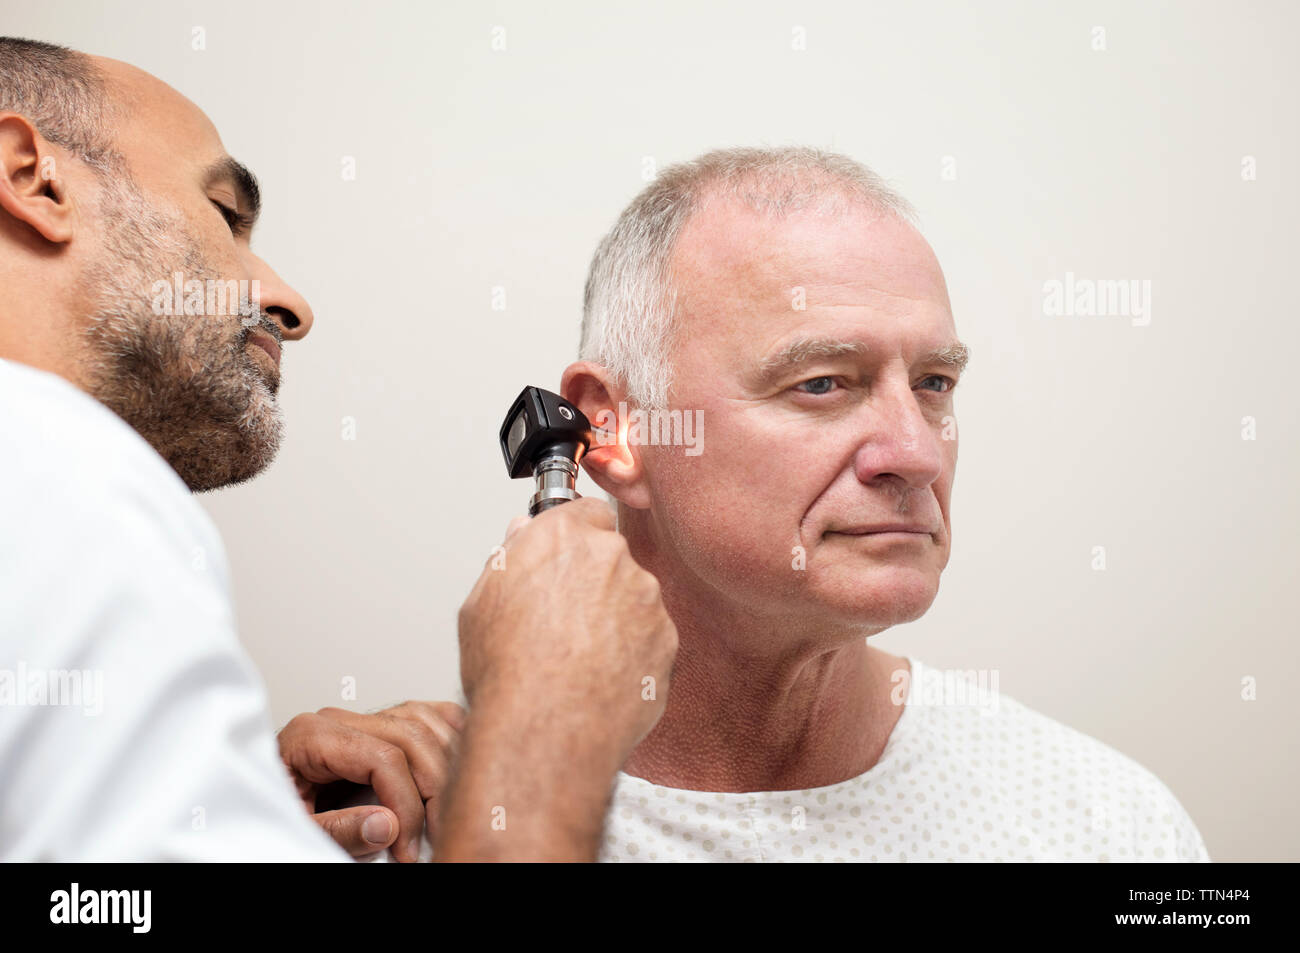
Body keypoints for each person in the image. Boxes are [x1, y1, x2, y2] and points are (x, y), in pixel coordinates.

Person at [328, 147, 1210, 862]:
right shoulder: (402, 815)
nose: (914, 453)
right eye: (823, 382)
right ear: (614, 431)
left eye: (935, 383)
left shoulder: (1108, 828)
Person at [0, 36, 676, 862]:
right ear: (30, 176)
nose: (291, 304)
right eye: (224, 215)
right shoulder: (60, 462)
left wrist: (238, 801)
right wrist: (547, 714)